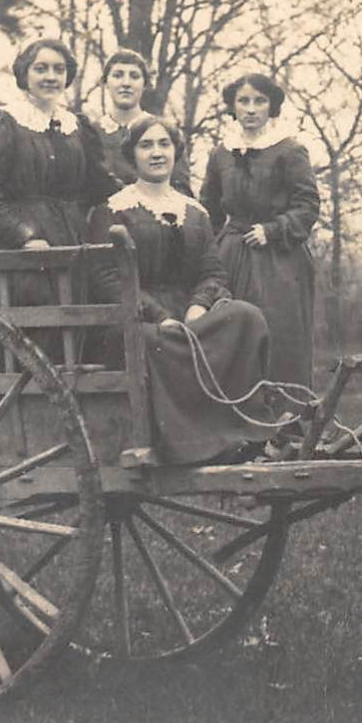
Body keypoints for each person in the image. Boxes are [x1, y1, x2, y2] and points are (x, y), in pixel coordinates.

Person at [88, 117, 274, 464]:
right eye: (146, 145)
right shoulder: (113, 210)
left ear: (175, 152)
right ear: (133, 155)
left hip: (189, 315)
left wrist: (199, 306)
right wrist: (160, 316)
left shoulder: (195, 212)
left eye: (164, 145)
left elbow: (212, 271)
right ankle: (185, 444)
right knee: (157, 340)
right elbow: (108, 278)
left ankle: (238, 430)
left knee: (247, 318)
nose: (156, 153)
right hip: (135, 319)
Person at [0, 38, 119, 290]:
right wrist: (23, 236)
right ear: (24, 73)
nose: (51, 76)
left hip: (72, 239)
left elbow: (101, 187)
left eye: (59, 69)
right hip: (20, 244)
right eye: (41, 68)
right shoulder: (3, 121)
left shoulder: (76, 126)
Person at [201, 72, 319, 388]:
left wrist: (274, 229)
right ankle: (235, 422)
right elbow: (208, 210)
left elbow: (307, 206)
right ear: (233, 107)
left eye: (259, 101)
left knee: (279, 335)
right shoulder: (221, 153)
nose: (251, 109)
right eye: (243, 101)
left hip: (280, 260)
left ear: (271, 107)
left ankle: (284, 420)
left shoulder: (289, 150)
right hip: (232, 256)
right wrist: (205, 255)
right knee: (230, 334)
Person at [96, 49, 191, 195]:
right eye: (117, 75)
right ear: (105, 83)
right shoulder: (90, 133)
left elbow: (182, 191)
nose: (126, 83)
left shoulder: (165, 133)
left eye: (134, 76)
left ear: (145, 84)